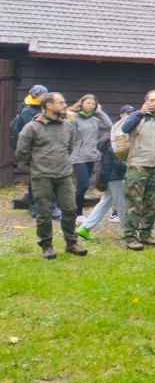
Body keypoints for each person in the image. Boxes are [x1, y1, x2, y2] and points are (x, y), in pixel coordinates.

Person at [15, 92, 88, 259]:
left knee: (70, 209)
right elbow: (21, 152)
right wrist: (37, 164)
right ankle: (46, 245)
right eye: (61, 102)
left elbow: (69, 147)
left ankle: (71, 243)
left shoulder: (67, 126)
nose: (64, 105)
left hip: (64, 175)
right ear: (48, 105)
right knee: (44, 212)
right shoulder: (32, 127)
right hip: (42, 176)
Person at [121, 90, 155, 251]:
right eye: (151, 100)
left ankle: (145, 233)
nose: (154, 103)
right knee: (133, 203)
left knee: (152, 203)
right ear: (145, 101)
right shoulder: (138, 116)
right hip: (137, 165)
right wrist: (140, 112)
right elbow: (125, 128)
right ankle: (130, 236)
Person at [76, 105, 133, 240]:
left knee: (104, 203)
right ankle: (127, 231)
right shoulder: (118, 141)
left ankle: (84, 228)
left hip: (110, 177)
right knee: (121, 204)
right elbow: (118, 162)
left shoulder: (112, 139)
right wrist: (130, 165)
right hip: (116, 177)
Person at [67, 94, 112, 217]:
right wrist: (71, 121)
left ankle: (76, 212)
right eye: (88, 103)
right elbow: (70, 134)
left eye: (93, 104)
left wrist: (99, 111)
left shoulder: (95, 119)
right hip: (78, 156)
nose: (91, 106)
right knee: (84, 185)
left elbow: (108, 125)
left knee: (82, 187)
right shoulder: (74, 117)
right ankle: (77, 213)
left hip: (91, 156)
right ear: (81, 103)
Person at [9, 84, 48, 219]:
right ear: (37, 96)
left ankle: (44, 205)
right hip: (33, 151)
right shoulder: (28, 111)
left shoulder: (40, 108)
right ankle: (34, 205)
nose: (45, 97)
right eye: (43, 95)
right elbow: (31, 133)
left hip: (42, 151)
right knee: (35, 179)